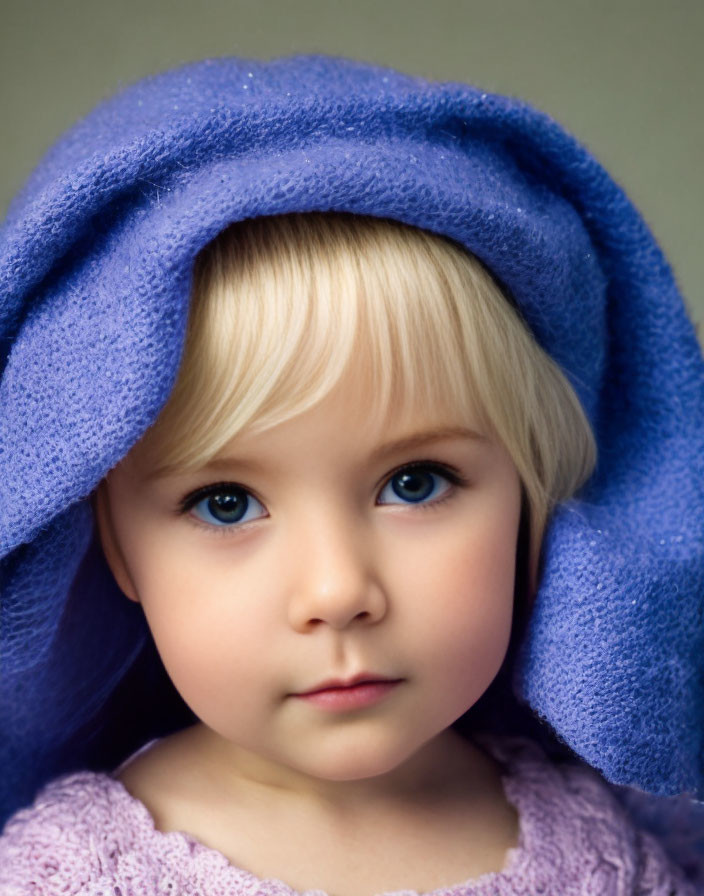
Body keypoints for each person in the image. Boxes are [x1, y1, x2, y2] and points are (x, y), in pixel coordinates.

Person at [1, 56, 703, 894]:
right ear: (115, 545)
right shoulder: (72, 878)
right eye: (226, 503)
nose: (337, 591)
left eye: (416, 482)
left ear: (532, 499)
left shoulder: (611, 855)